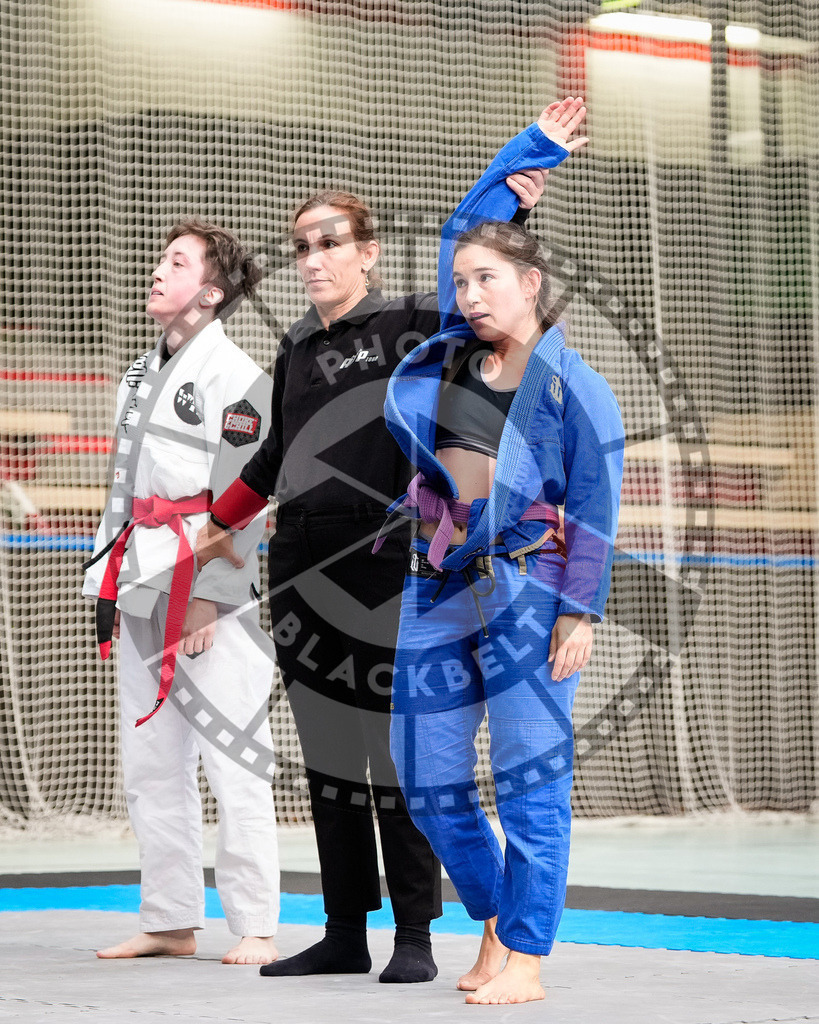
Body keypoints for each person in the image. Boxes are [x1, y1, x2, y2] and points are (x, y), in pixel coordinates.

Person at [196, 99, 589, 984]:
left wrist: (522, 179)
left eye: (329, 241)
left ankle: (415, 935)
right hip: (300, 563)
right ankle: (344, 928)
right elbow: (271, 456)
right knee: (331, 757)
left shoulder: (416, 324)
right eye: (300, 245)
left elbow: (475, 254)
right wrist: (212, 531)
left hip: (393, 565)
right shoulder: (295, 348)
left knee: (403, 759)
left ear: (367, 252)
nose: (312, 258)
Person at [382, 202, 624, 1002]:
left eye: (488, 278)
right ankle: (493, 914)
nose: (472, 293)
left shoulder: (574, 386)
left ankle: (526, 956)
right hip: (436, 580)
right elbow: (464, 223)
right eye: (462, 281)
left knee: (529, 784)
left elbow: (594, 504)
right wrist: (529, 153)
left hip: (530, 592)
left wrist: (577, 612)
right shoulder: (452, 358)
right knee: (426, 778)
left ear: (531, 282)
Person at [82, 219, 280, 966]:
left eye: (176, 263)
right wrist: (108, 580)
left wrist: (210, 596)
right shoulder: (139, 372)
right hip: (139, 575)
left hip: (204, 589)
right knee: (151, 762)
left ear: (211, 292)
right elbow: (127, 492)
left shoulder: (240, 377)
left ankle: (256, 921)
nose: (157, 271)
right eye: (161, 260)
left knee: (234, 759)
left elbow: (248, 498)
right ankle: (169, 918)